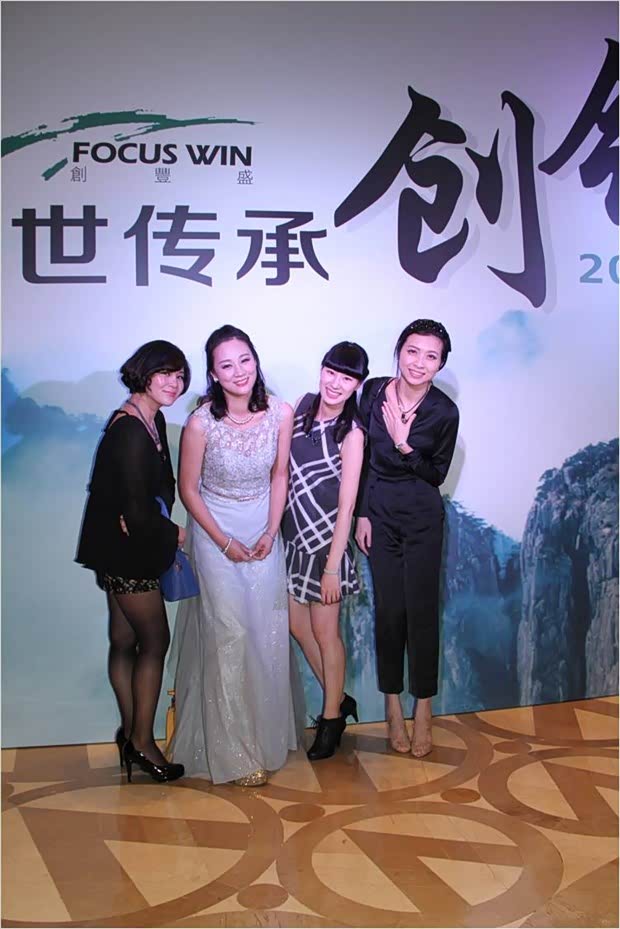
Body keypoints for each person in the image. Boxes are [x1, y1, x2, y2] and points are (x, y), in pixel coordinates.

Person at [169, 325, 300, 787]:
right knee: (228, 636)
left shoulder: (280, 412)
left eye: (245, 360)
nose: (239, 371)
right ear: (213, 375)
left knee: (265, 634)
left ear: (256, 360)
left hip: (264, 532)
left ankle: (264, 739)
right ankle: (236, 754)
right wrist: (223, 541)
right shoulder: (201, 422)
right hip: (214, 535)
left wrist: (271, 530)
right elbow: (188, 489)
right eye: (226, 365)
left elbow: (280, 474)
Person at [76, 340, 191, 783]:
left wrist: (143, 518)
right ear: (143, 373)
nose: (174, 383)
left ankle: (129, 736)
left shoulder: (151, 417)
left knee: (124, 640)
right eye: (165, 373)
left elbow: (150, 494)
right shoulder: (128, 429)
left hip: (123, 547)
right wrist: (175, 533)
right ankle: (142, 742)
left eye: (180, 376)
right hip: (127, 554)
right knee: (154, 641)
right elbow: (137, 512)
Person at [355, 319, 459, 758]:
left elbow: (436, 474)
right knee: (389, 611)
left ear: (440, 365)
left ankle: (424, 708)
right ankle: (392, 705)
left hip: (422, 517)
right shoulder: (373, 392)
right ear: (399, 350)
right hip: (379, 513)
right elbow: (361, 457)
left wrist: (404, 445)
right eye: (413, 351)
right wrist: (361, 512)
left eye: (431, 356)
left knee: (421, 612)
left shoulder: (444, 412)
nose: (419, 362)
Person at [282, 342, 368, 761]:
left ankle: (331, 716)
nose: (336, 384)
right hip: (292, 539)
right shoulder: (301, 407)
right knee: (298, 627)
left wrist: (333, 567)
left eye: (347, 378)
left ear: (357, 385)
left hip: (325, 547)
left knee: (324, 633)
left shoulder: (352, 434)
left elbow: (347, 506)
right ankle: (341, 698)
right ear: (321, 371)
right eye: (331, 373)